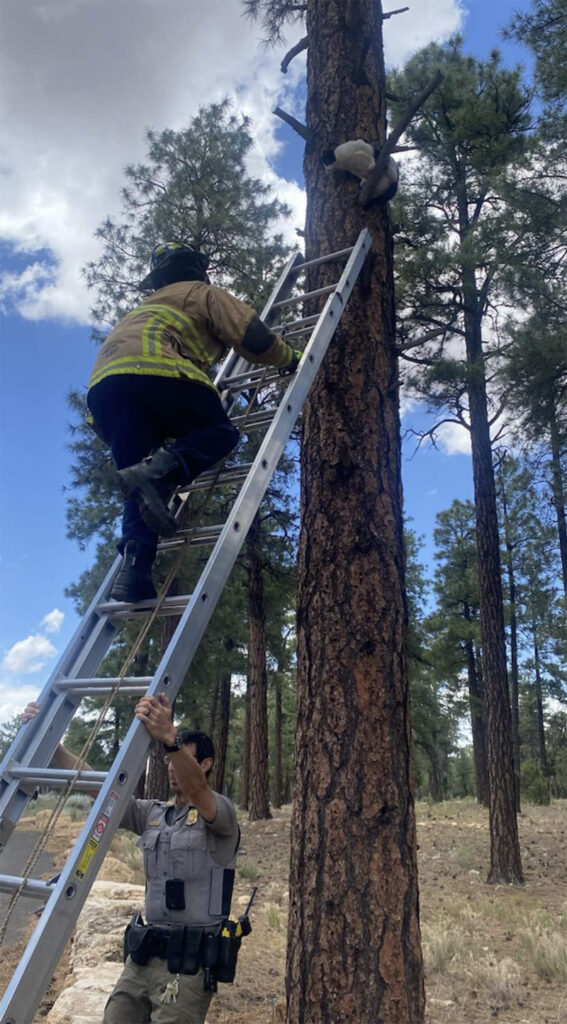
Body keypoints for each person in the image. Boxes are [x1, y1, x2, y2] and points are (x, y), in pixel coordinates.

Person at [87, 241, 301, 604]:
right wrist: (289, 357)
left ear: (156, 279)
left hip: (104, 394)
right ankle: (158, 473)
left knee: (142, 490)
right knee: (217, 433)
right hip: (153, 370)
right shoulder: (201, 293)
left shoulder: (143, 309)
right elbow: (252, 336)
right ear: (198, 269)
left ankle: (134, 572)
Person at [22, 695, 240, 1024]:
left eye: (180, 759)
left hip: (189, 963)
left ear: (205, 765)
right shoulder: (153, 814)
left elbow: (198, 791)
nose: (171, 766)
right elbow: (103, 789)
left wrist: (170, 739)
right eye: (168, 760)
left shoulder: (220, 814)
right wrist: (55, 748)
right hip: (143, 956)